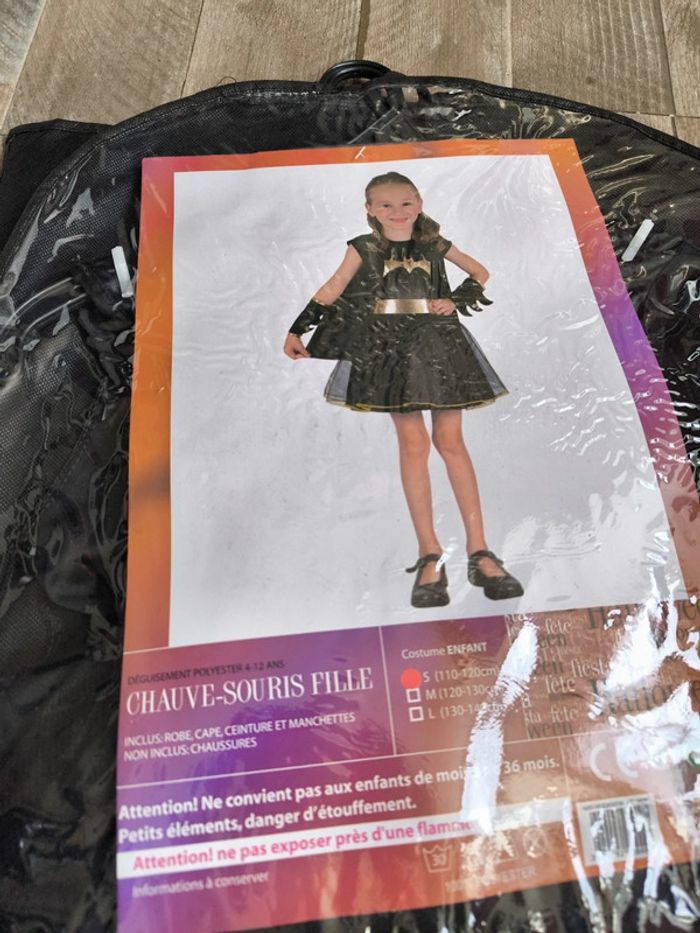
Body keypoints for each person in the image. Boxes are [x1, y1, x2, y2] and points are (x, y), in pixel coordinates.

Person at [283, 171, 523, 608]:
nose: (397, 212)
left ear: (419, 203)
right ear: (370, 209)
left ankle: (480, 552)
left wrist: (456, 300)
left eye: (406, 203)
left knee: (451, 441)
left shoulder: (435, 245)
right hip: (388, 348)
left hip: (438, 343)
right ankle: (430, 554)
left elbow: (480, 271)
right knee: (413, 444)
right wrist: (298, 329)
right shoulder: (363, 247)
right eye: (386, 205)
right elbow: (333, 288)